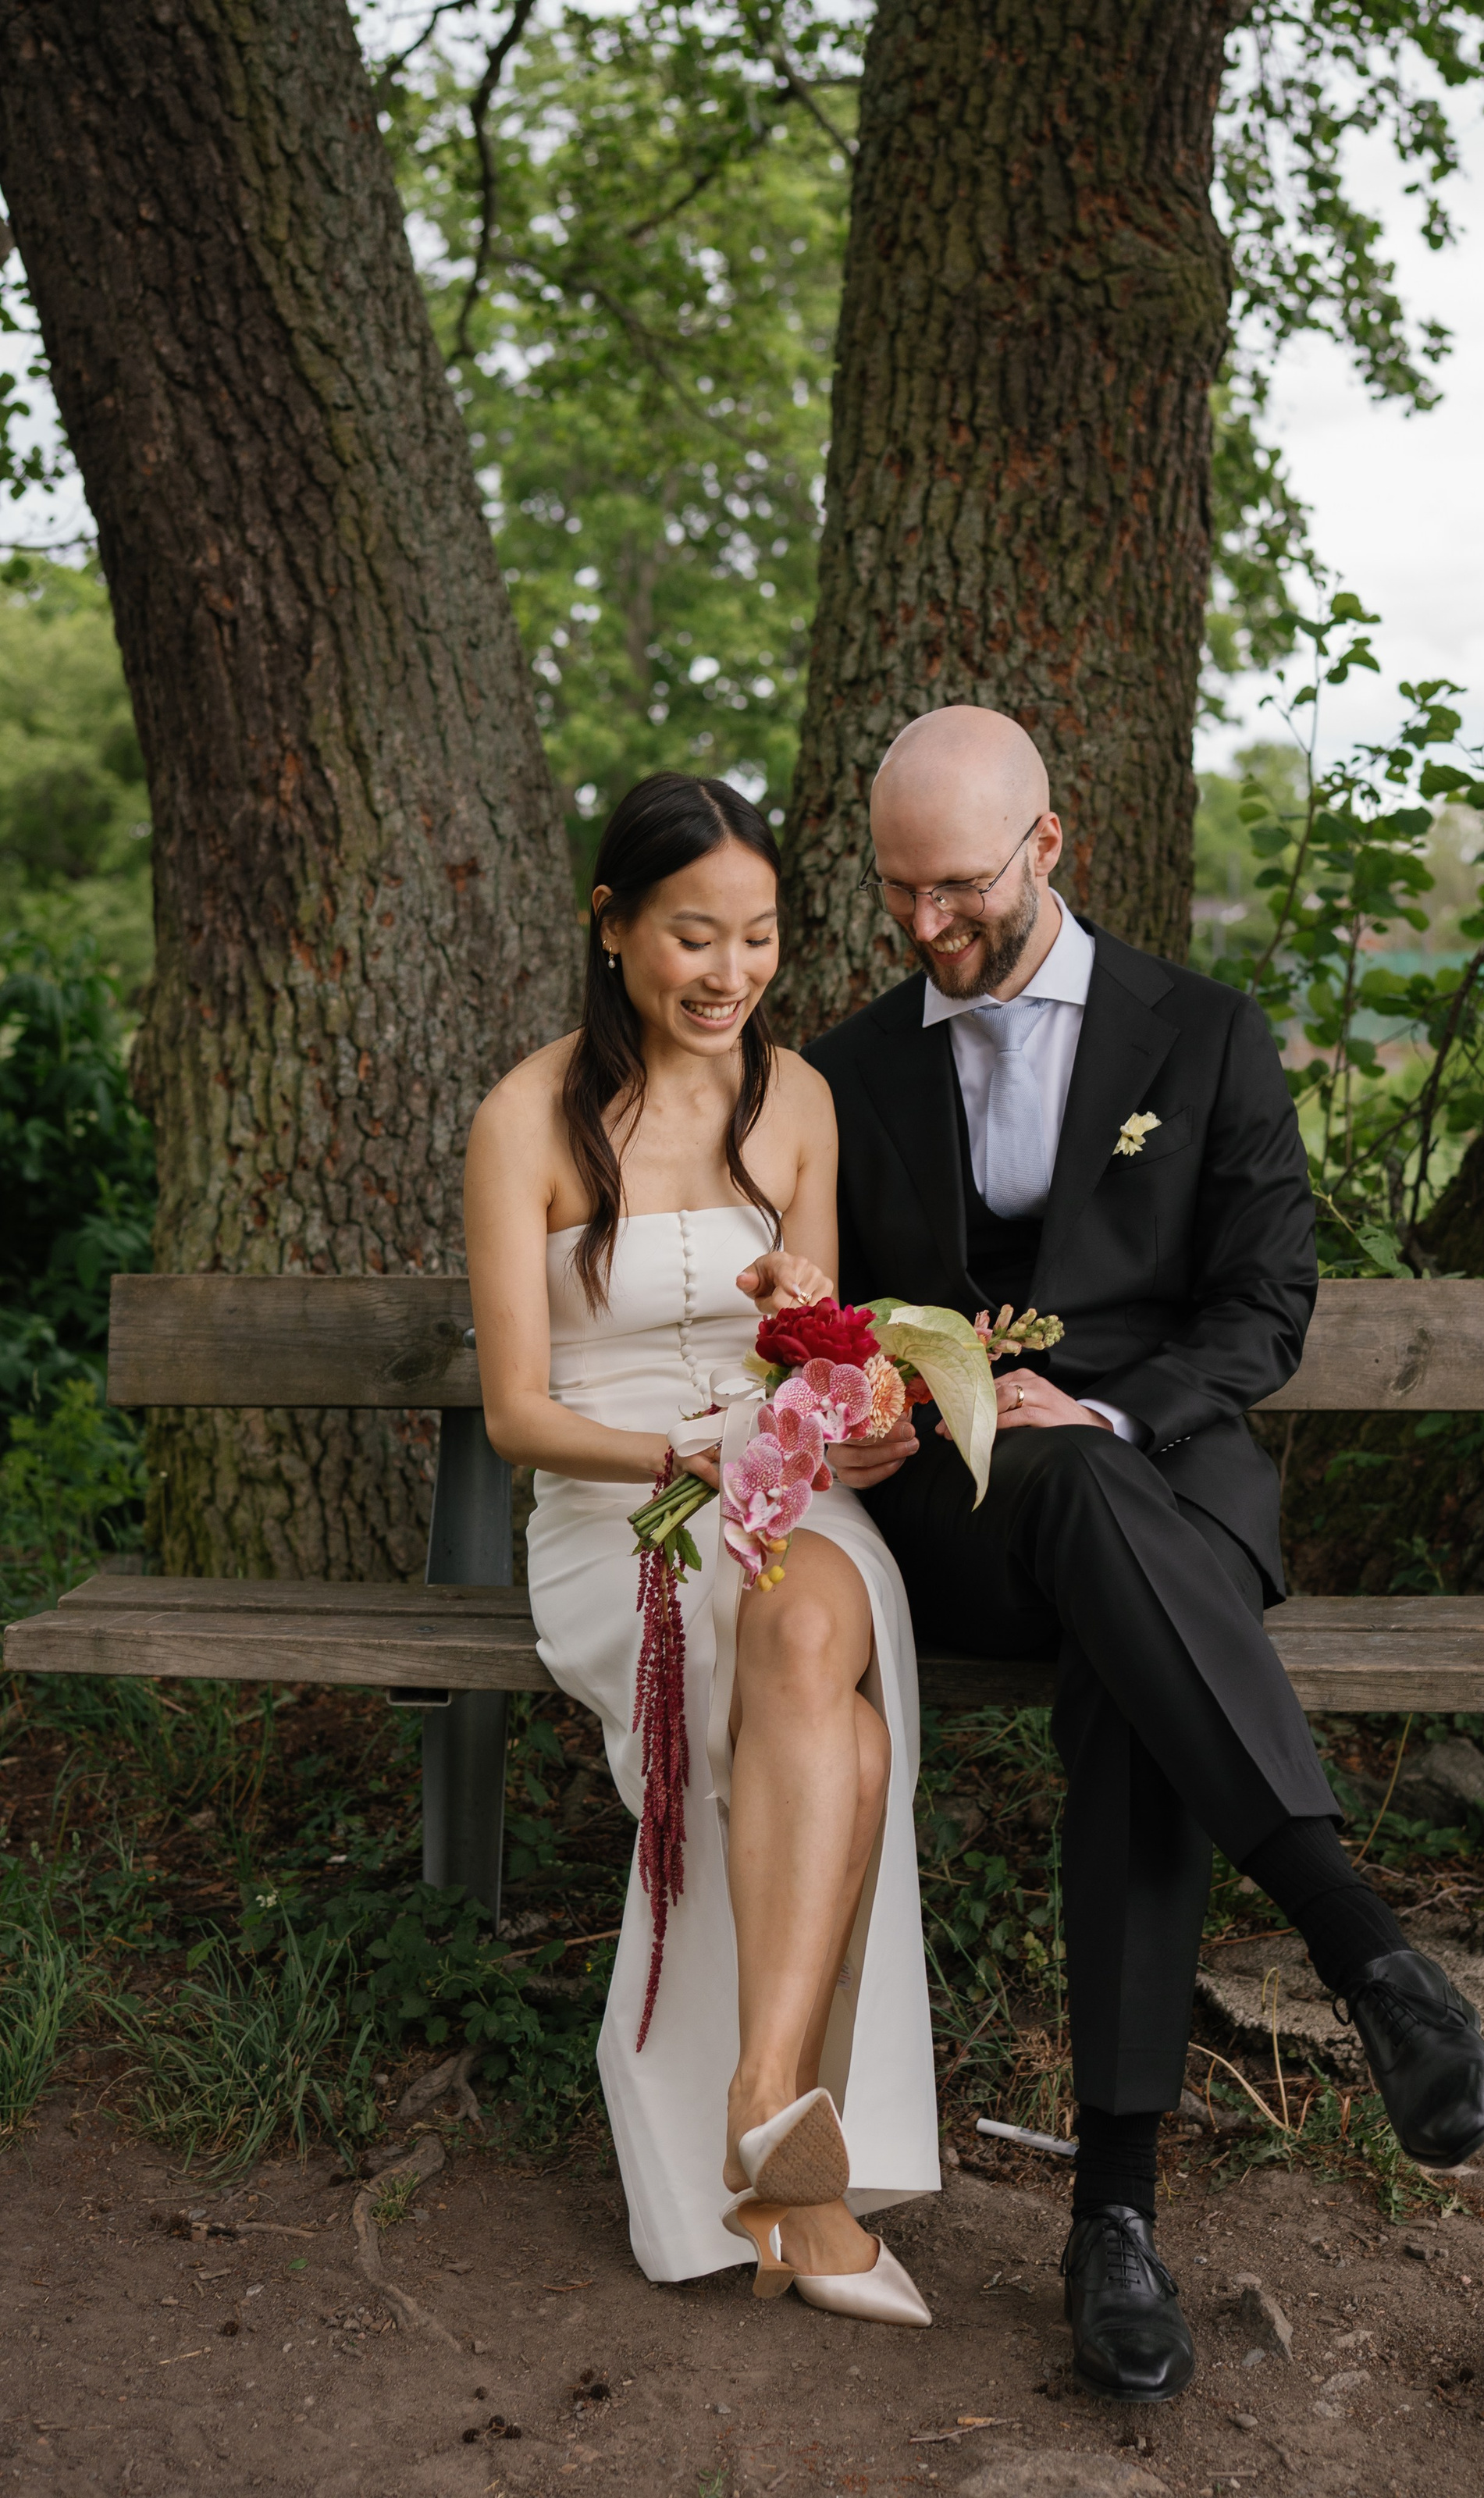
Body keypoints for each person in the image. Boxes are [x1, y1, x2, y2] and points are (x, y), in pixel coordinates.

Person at [808, 706, 1484, 2403]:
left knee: (1120, 1603)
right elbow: (812, 1312)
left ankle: (1112, 2226)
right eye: (897, 891)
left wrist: (1106, 1410)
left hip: (1163, 1486)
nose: (925, 927)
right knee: (1065, 1514)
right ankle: (1361, 1957)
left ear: (1048, 846)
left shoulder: (1200, 1036)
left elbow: (1264, 1306)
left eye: (958, 887)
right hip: (961, 1518)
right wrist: (892, 1399)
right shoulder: (841, 1070)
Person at [465, 772, 934, 2323]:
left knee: (807, 1630)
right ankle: (792, 2169)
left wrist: (838, 1376)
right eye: (691, 937)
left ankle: (757, 2103)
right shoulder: (525, 1119)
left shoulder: (791, 1101)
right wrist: (682, 1458)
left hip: (783, 1494)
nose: (727, 974)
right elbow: (519, 1413)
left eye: (757, 938)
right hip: (625, 1502)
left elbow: (821, 1354)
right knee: (843, 1749)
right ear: (612, 930)